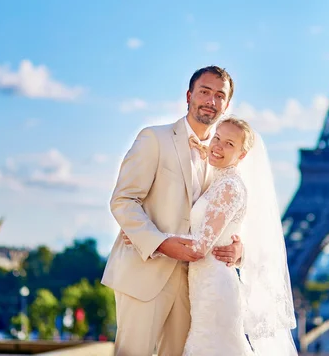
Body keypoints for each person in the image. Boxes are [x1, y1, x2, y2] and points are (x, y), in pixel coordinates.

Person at [101, 66, 244, 356]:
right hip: (145, 273)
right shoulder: (154, 138)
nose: (211, 101)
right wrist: (161, 243)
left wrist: (238, 250)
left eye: (220, 95)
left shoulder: (223, 160)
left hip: (195, 286)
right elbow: (123, 200)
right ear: (189, 95)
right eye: (205, 92)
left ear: (226, 106)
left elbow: (228, 217)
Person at [124, 116, 298, 355]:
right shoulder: (218, 178)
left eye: (229, 144)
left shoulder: (229, 187)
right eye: (217, 138)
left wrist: (150, 238)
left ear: (242, 155)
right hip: (202, 287)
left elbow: (199, 248)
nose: (218, 146)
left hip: (214, 289)